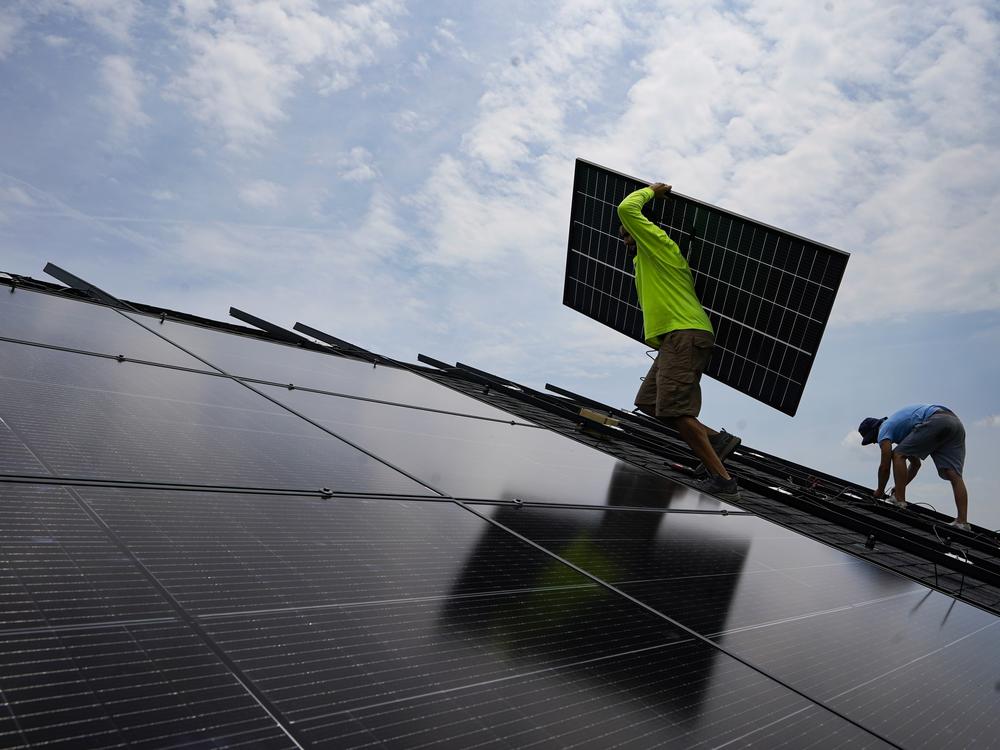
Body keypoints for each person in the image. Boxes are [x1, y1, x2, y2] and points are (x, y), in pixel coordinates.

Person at [618, 182, 742, 501]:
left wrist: (650, 191)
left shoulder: (659, 245)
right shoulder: (645, 260)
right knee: (648, 401)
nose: (624, 236)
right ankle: (717, 441)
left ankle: (722, 479)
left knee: (677, 408)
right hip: (674, 339)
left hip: (685, 334)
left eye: (628, 232)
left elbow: (627, 209)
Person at [858, 404, 969, 530]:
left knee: (897, 454)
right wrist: (898, 487)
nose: (875, 442)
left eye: (872, 439)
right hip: (955, 423)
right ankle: (962, 522)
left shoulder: (884, 429)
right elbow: (916, 465)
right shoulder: (901, 429)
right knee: (953, 474)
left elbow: (885, 466)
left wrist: (880, 490)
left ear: (874, 432)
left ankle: (899, 500)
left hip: (937, 420)